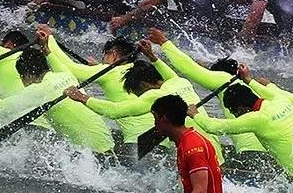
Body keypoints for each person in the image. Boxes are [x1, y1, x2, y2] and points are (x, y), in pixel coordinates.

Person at [145, 30, 272, 171]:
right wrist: (153, 57)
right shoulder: (250, 85)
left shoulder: (223, 79)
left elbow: (189, 69)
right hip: (268, 150)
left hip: (249, 150)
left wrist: (164, 43)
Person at [66, 55, 224, 162]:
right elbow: (169, 74)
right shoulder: (181, 82)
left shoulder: (156, 96)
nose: (140, 97)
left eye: (138, 93)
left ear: (143, 85)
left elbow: (114, 111)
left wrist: (82, 98)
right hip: (213, 146)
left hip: (195, 149)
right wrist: (153, 57)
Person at [0, 44, 115, 154]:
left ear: (26, 75)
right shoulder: (66, 75)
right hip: (109, 146)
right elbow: (57, 62)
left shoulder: (38, 90)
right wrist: (46, 48)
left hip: (90, 155)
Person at [189, 67, 293, 180]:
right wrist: (249, 80)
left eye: (234, 113)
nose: (235, 117)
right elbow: (267, 90)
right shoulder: (281, 101)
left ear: (241, 109)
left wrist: (196, 114)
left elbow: (213, 127)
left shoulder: (257, 119)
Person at [38, 25, 149, 153]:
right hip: (159, 136)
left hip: (136, 140)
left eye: (105, 56)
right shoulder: (136, 69)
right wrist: (97, 67)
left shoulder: (109, 72)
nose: (102, 60)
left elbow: (70, 69)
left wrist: (49, 39)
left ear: (114, 54)